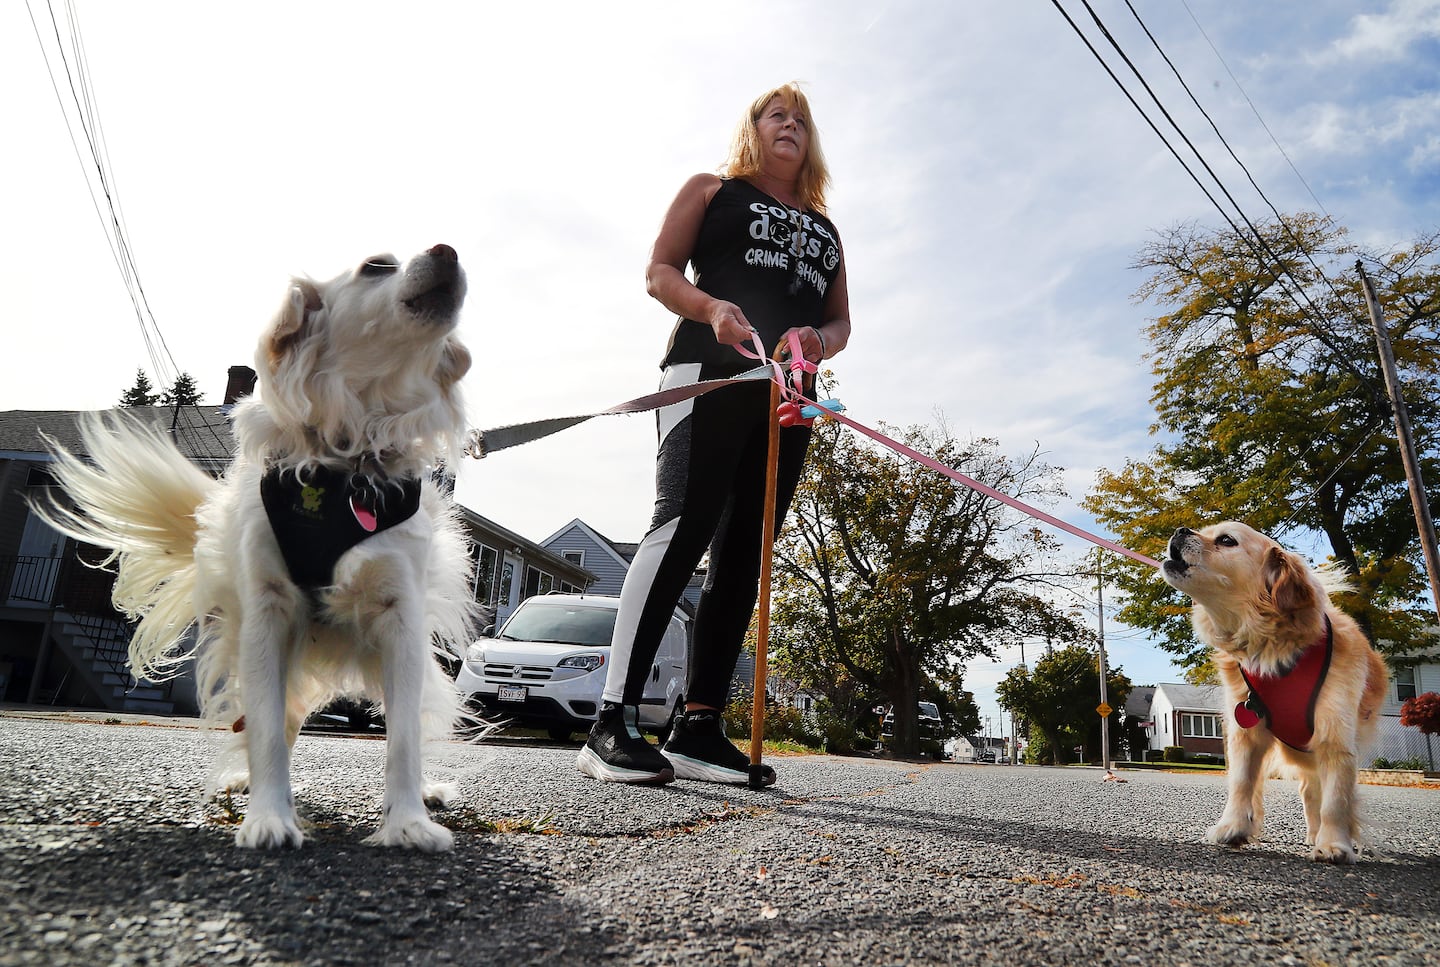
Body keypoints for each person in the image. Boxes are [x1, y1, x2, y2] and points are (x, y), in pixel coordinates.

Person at [577, 83, 851, 786]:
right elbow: (658, 272)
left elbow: (841, 323)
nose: (789, 124)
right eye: (775, 115)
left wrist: (817, 339)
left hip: (787, 397)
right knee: (681, 523)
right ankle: (611, 720)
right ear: (753, 129)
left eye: (800, 119)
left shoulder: (827, 229)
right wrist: (712, 306)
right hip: (707, 371)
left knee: (745, 552)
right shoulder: (713, 190)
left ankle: (697, 726)